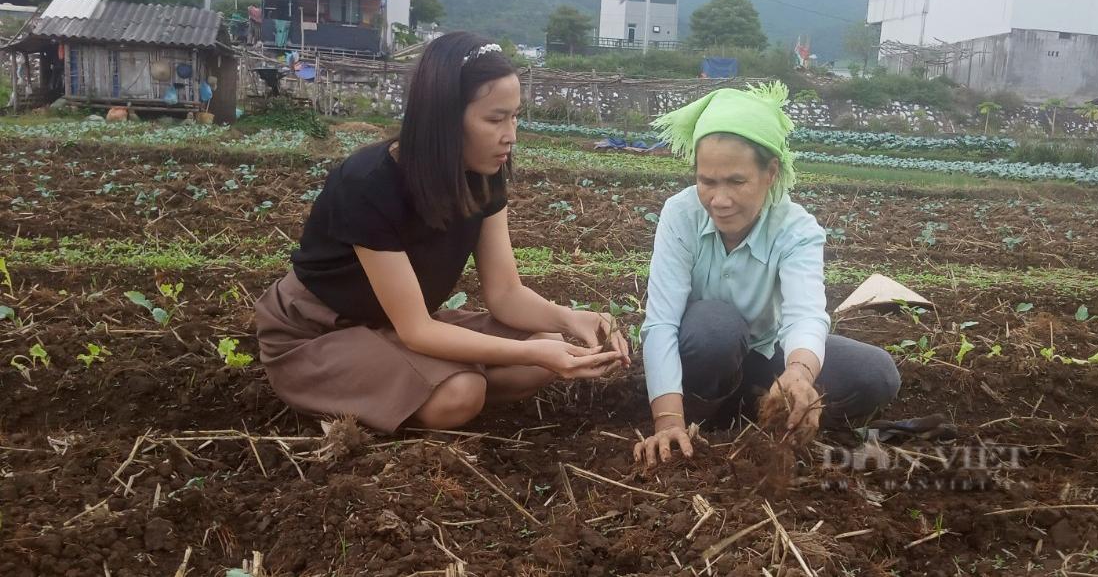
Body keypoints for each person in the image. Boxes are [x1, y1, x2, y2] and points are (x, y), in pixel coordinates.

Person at [255, 32, 630, 434]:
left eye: (514, 115)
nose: (511, 134)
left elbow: (505, 294)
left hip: (395, 327)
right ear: (444, 117)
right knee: (463, 392)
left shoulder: (483, 176)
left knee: (543, 348)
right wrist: (535, 351)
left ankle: (413, 387)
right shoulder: (369, 184)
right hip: (316, 333)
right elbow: (417, 329)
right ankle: (403, 394)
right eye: (494, 119)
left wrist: (572, 318)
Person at [633, 82, 901, 466]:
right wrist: (667, 420)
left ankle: (760, 409)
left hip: (768, 355)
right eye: (707, 181)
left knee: (876, 373)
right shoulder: (680, 215)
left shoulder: (796, 228)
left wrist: (798, 372)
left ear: (770, 173)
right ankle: (699, 414)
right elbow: (660, 323)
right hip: (703, 356)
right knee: (715, 325)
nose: (719, 200)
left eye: (736, 181)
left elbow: (805, 315)